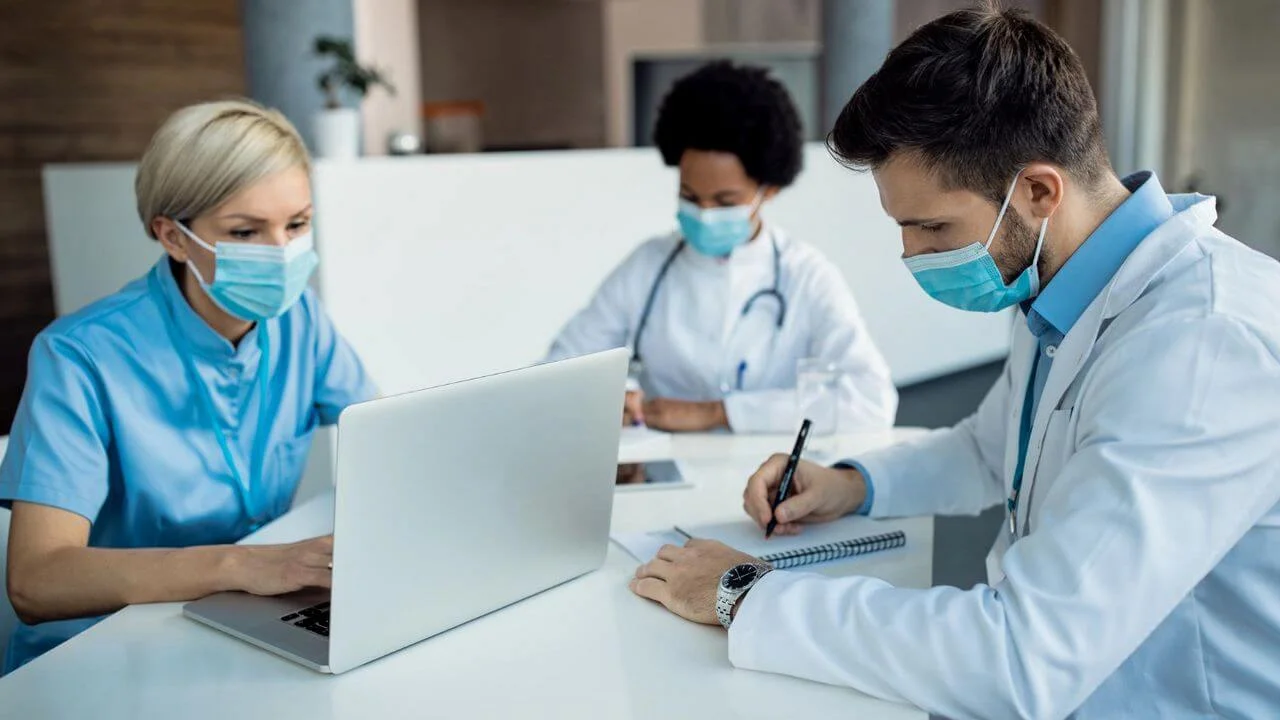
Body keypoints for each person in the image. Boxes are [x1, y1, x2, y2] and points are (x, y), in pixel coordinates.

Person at [629, 7, 1280, 718]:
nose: (911, 253)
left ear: (1037, 192)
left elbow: (1020, 656)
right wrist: (850, 484)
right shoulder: (1062, 285)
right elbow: (996, 448)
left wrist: (743, 594)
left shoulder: (1204, 344)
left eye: (932, 226)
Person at [0, 100, 376, 673]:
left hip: (242, 624)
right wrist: (239, 566)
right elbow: (37, 581)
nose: (281, 252)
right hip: (101, 653)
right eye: (246, 231)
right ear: (173, 238)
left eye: (296, 224)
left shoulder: (300, 321)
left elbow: (385, 441)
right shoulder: (78, 356)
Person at [546, 61, 896, 434]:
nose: (704, 213)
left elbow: (872, 401)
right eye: (690, 196)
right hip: (663, 467)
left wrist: (719, 413)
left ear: (769, 190)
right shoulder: (648, 265)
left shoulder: (807, 276)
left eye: (725, 201)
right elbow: (561, 369)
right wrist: (615, 396)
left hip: (769, 474)